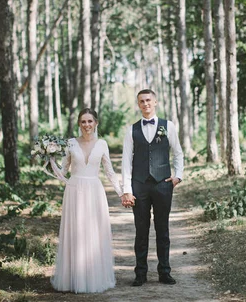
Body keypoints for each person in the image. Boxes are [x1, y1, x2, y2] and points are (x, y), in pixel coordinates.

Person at [48, 108, 123, 293]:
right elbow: (63, 172)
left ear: (96, 123)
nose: (87, 125)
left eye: (90, 121)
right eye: (83, 122)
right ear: (79, 124)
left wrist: (122, 193)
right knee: (76, 233)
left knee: (94, 234)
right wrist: (49, 158)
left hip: (95, 192)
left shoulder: (103, 144)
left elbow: (110, 172)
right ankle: (75, 278)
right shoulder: (70, 144)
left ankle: (94, 277)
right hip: (74, 191)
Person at [121, 89, 184, 287]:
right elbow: (125, 161)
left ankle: (164, 271)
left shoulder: (168, 126)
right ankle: (140, 273)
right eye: (141, 101)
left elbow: (178, 153)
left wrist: (178, 176)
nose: (145, 104)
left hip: (163, 184)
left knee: (162, 229)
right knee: (141, 230)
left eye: (148, 100)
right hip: (139, 185)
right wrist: (126, 188)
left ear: (155, 102)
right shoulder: (132, 130)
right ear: (138, 104)